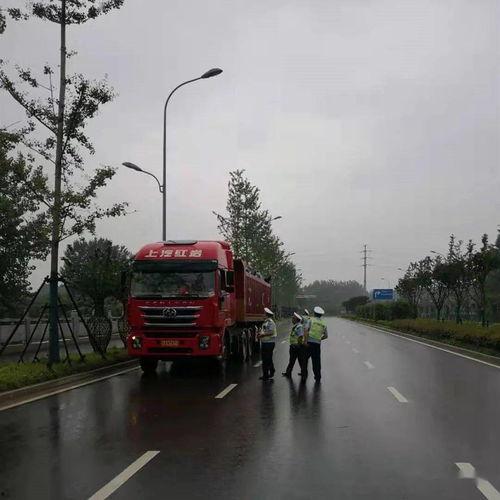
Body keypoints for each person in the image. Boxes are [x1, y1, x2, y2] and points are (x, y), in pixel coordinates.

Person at [304, 306, 328, 382]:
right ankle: (318, 377)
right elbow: (326, 336)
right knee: (316, 361)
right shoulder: (324, 323)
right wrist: (319, 339)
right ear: (321, 315)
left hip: (309, 343)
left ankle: (304, 375)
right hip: (317, 344)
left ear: (314, 313)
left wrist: (305, 341)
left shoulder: (310, 320)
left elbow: (306, 330)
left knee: (304, 360)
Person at [282, 312, 306, 378]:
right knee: (292, 361)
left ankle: (304, 373)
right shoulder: (296, 326)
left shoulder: (299, 326)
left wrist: (299, 345)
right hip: (294, 346)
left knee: (300, 361)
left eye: (293, 318)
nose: (292, 320)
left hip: (297, 347)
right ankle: (288, 373)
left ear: (296, 319)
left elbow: (300, 336)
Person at [258, 307, 277, 380]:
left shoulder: (270, 322)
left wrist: (262, 335)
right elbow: (264, 330)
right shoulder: (265, 322)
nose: (263, 315)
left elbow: (271, 332)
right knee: (266, 359)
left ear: (267, 315)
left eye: (264, 314)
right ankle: (268, 372)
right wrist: (260, 334)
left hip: (269, 343)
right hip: (265, 342)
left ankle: (268, 373)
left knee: (267, 359)